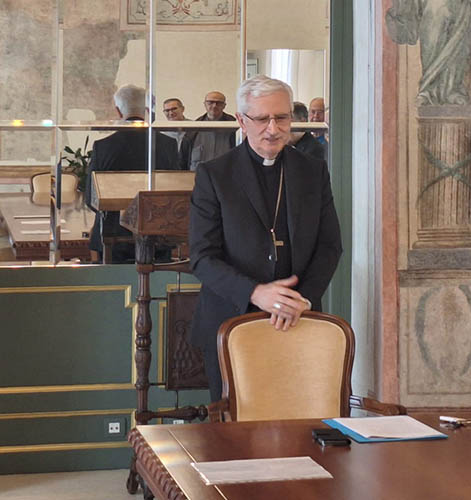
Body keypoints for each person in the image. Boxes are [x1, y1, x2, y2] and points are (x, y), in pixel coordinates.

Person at [188, 75, 343, 402]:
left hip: (299, 319)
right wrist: (256, 293)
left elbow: (329, 245)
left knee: (298, 419)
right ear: (241, 120)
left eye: (281, 117)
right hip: (231, 321)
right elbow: (202, 257)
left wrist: (302, 300)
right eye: (261, 119)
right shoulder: (215, 174)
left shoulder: (312, 171)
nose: (273, 129)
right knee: (235, 423)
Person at [85, 84, 180, 263]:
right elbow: (175, 191)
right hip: (157, 234)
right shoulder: (168, 145)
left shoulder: (103, 147)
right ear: (147, 110)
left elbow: (91, 198)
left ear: (118, 112)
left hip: (113, 235)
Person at [179, 91, 237, 171]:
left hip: (226, 174)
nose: (214, 106)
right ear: (205, 104)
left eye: (218, 103)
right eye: (210, 102)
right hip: (198, 175)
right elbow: (183, 160)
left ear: (224, 106)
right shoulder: (193, 129)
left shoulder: (235, 127)